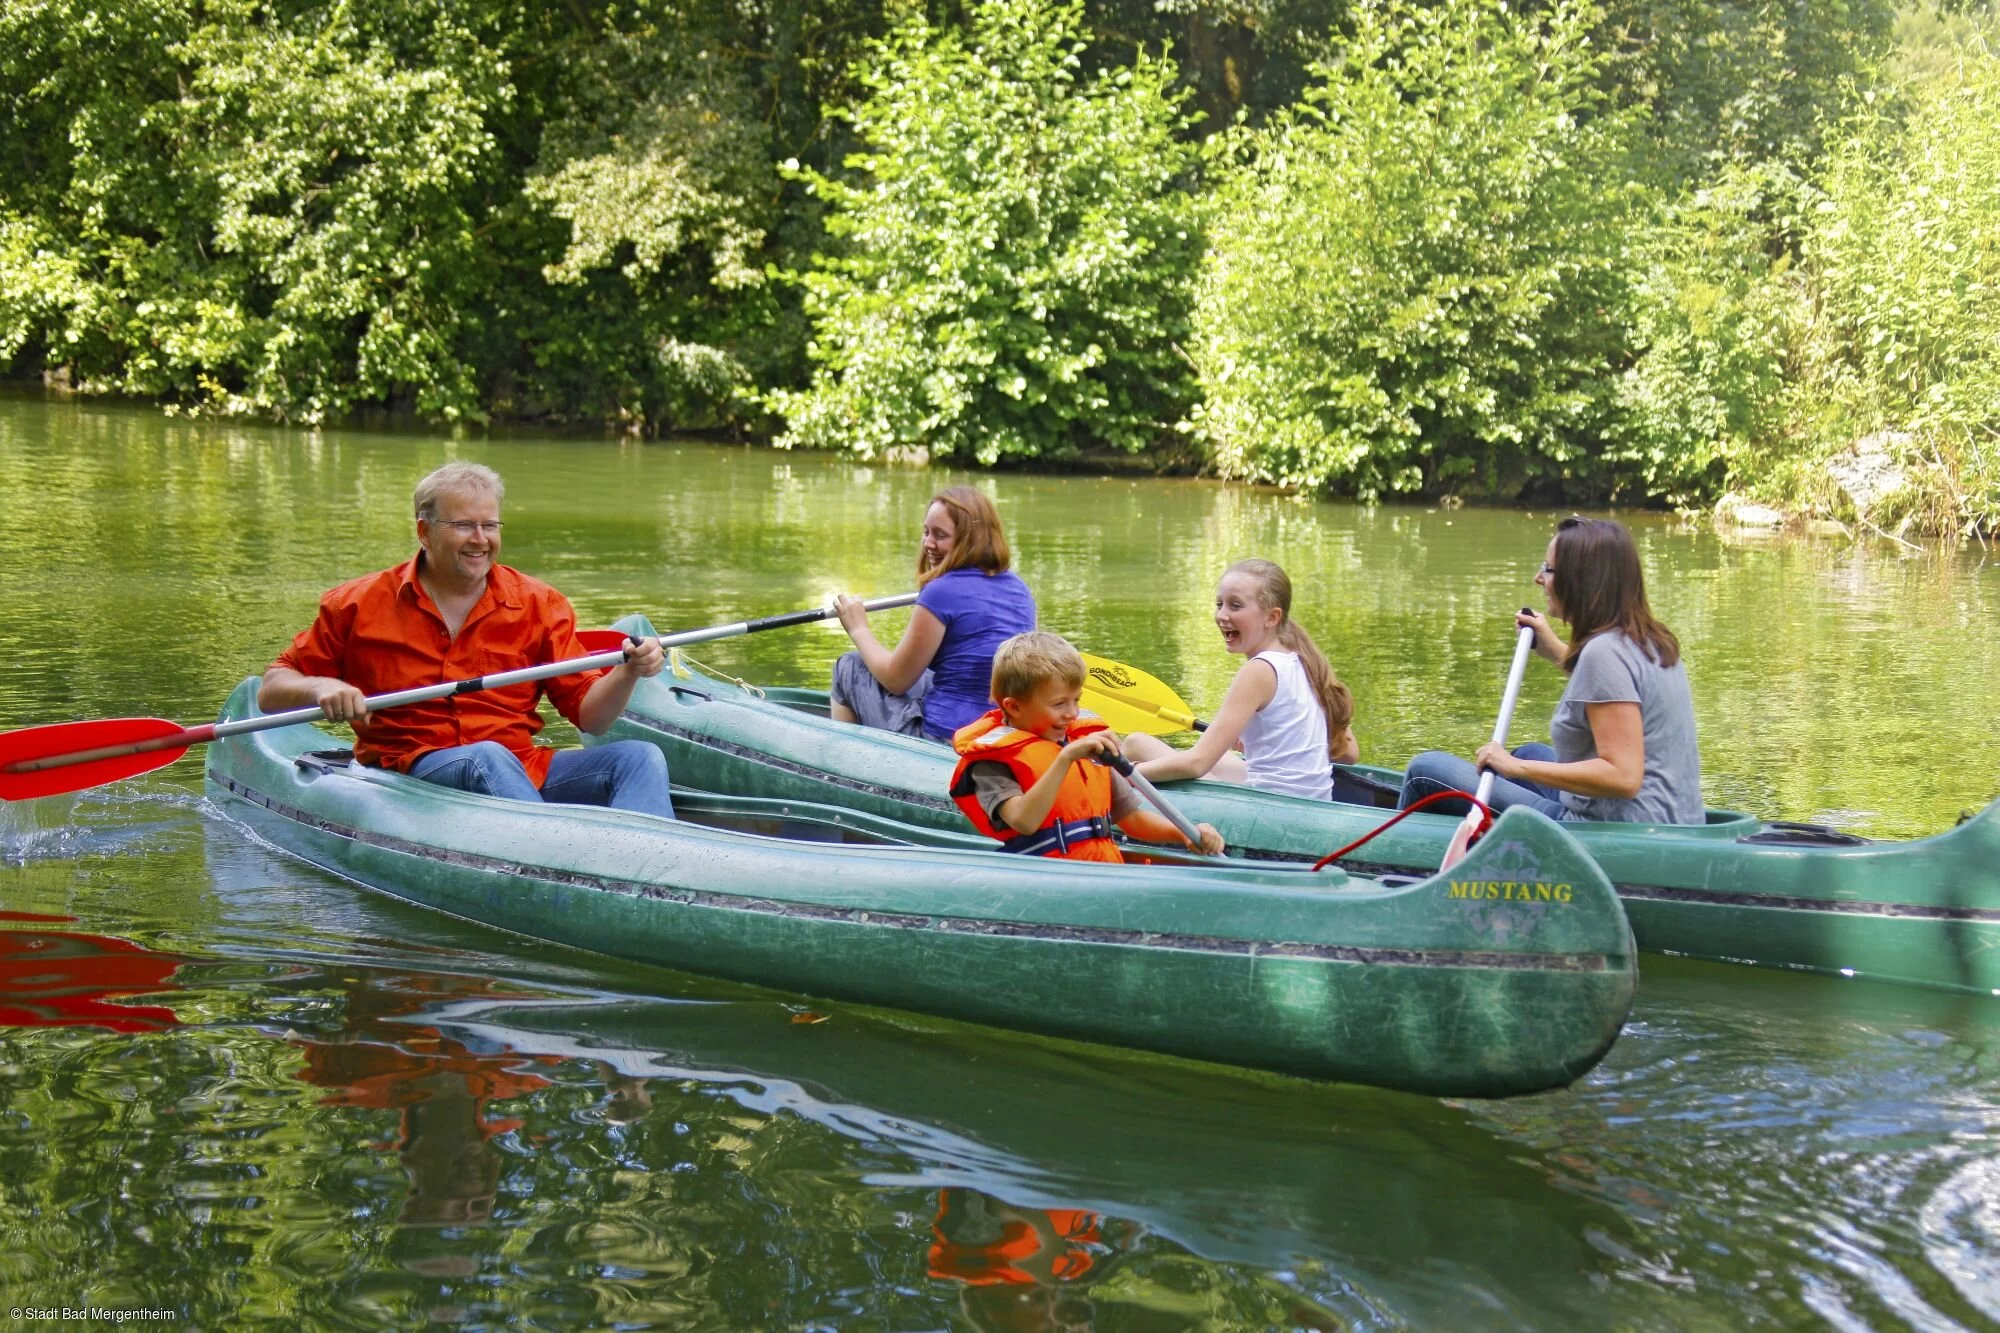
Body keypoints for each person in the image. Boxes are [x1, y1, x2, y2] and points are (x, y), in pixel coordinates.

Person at [259, 462, 676, 817]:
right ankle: (555, 858)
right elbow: (272, 688)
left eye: (489, 525)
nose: (480, 539)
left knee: (639, 758)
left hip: (518, 769)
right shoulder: (356, 604)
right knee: (485, 758)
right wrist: (322, 686)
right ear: (425, 531)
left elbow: (593, 719)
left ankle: (656, 876)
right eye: (463, 525)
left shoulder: (540, 603)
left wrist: (629, 672)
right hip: (414, 771)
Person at [1398, 516, 1704, 824]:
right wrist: (1558, 652)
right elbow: (1614, 695)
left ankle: (1399, 860)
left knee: (1424, 771)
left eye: (1548, 569)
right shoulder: (1650, 639)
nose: (1538, 578)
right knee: (1528, 752)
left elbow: (1623, 777)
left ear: (1580, 579)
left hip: (1615, 832)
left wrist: (1514, 769)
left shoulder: (1604, 653)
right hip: (1673, 821)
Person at [949, 632, 1223, 862]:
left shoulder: (1084, 742)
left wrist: (1182, 833)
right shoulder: (992, 763)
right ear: (1013, 706)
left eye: (1076, 700)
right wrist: (1065, 759)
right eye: (1059, 704)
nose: (1072, 713)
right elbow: (1024, 821)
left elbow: (1130, 817)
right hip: (1045, 880)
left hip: (1103, 870)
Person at [1122, 559, 1357, 801]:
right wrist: (1268, 743)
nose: (1222, 615)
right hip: (1313, 802)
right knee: (1139, 742)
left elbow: (1197, 764)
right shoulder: (1306, 661)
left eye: (1235, 606)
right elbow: (1350, 753)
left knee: (1134, 746)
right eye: (1219, 604)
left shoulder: (1259, 670)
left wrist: (1122, 774)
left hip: (1270, 808)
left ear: (1272, 617)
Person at [830, 486, 1037, 743]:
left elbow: (896, 680)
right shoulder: (1019, 588)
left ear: (970, 540)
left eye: (941, 535)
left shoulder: (941, 592)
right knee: (928, 676)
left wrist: (858, 628)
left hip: (945, 737)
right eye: (926, 532)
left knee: (849, 666)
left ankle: (847, 766)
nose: (928, 543)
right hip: (1000, 733)